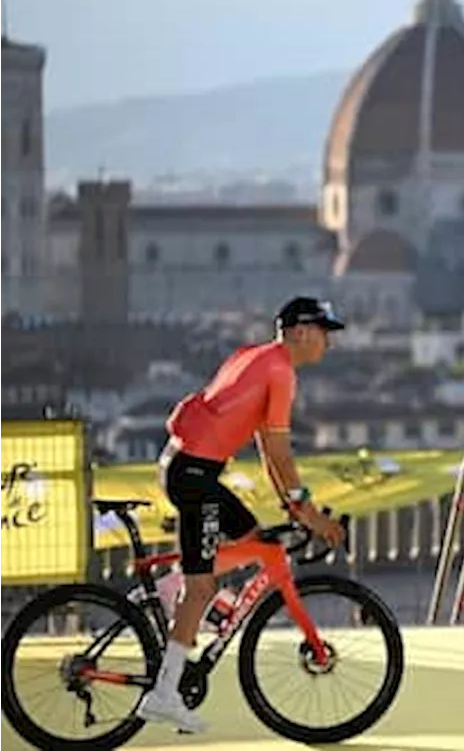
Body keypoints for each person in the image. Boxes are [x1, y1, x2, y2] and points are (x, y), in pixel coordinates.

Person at [136, 297, 348, 734]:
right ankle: (164, 693)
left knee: (258, 543)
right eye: (325, 332)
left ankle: (182, 586)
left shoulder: (254, 357)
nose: (329, 342)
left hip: (187, 466)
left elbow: (267, 450)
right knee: (202, 587)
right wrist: (308, 512)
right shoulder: (281, 372)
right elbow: (280, 452)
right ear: (301, 331)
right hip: (195, 474)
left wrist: (293, 505)